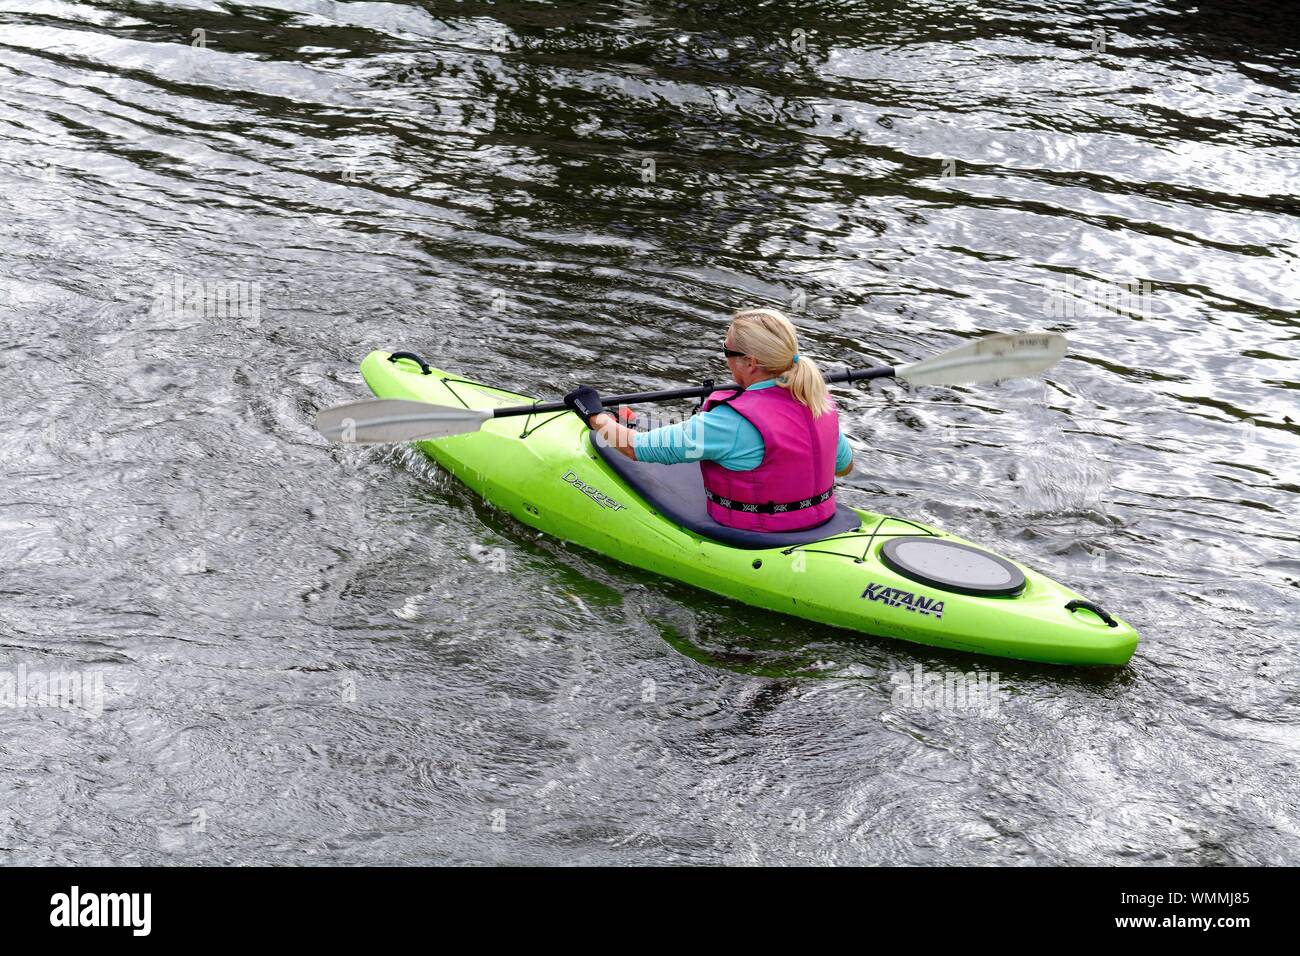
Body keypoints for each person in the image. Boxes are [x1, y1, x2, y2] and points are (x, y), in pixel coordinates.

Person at [563, 308, 853, 532]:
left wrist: (595, 414)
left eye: (726, 350)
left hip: (756, 533)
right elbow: (844, 466)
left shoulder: (731, 422)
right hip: (822, 520)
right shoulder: (818, 400)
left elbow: (634, 447)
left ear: (750, 363)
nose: (725, 358)